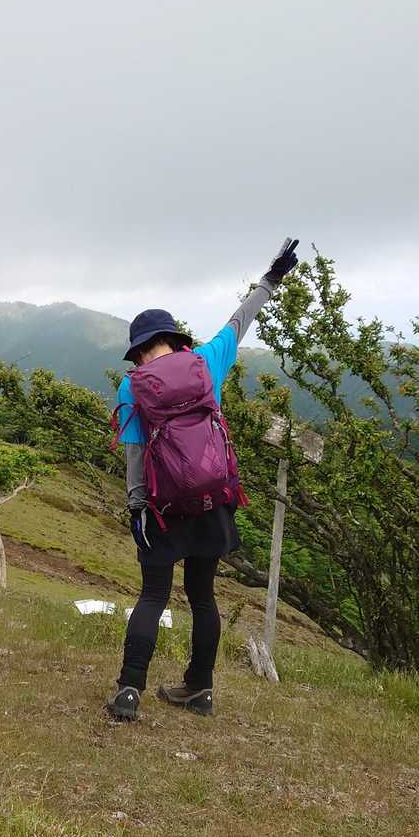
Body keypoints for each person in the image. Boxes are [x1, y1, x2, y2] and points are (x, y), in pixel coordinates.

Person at [106, 238, 300, 722]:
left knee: (153, 596)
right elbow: (240, 320)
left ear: (139, 351)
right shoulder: (207, 362)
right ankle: (200, 690)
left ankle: (129, 691)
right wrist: (271, 279)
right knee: (203, 597)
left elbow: (135, 455)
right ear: (174, 339)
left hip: (162, 509)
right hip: (214, 499)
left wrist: (137, 510)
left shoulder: (132, 386)